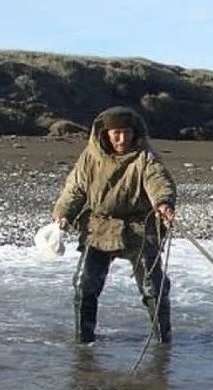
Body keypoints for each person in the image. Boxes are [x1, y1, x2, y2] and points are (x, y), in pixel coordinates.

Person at [51, 106, 177, 345]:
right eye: (116, 133)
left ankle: (164, 344)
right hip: (100, 226)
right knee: (84, 285)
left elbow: (158, 179)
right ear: (105, 134)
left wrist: (163, 203)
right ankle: (84, 344)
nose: (122, 139)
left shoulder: (144, 156)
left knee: (153, 288)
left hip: (139, 226)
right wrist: (63, 213)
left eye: (127, 133)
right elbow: (75, 189)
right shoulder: (90, 157)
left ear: (134, 132)